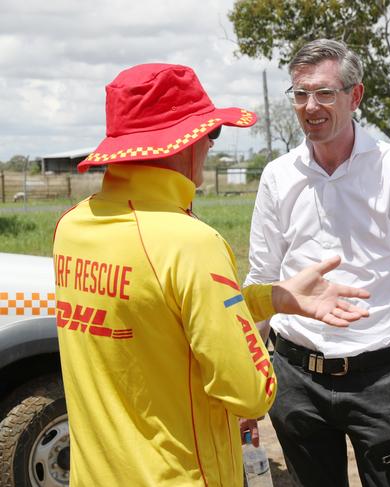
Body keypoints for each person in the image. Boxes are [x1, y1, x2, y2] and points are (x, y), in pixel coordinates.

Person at [53, 63, 370, 487]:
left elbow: (158, 320)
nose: (210, 147)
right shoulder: (190, 242)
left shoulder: (72, 227)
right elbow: (249, 393)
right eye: (212, 134)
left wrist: (270, 298)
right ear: (186, 144)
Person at [244, 39, 390, 487]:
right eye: (300, 94)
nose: (309, 106)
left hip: (378, 379)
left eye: (324, 93)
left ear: (355, 97)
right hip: (296, 377)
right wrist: (246, 382)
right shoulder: (278, 177)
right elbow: (261, 282)